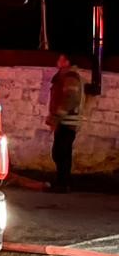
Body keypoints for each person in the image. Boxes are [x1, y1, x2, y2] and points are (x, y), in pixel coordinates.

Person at [45, 53, 86, 192]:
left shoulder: (70, 77)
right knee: (59, 152)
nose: (58, 61)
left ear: (67, 62)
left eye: (61, 59)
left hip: (67, 121)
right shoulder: (64, 76)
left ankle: (63, 183)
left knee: (61, 152)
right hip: (63, 121)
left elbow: (70, 98)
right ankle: (62, 181)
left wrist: (57, 116)